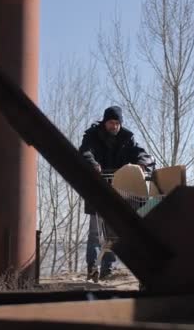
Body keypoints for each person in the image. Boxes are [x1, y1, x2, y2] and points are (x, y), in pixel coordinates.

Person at [79, 106, 155, 280]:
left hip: (121, 192)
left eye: (117, 123)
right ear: (104, 122)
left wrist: (143, 163)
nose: (114, 126)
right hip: (99, 188)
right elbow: (85, 152)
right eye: (111, 122)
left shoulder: (127, 138)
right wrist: (93, 165)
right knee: (95, 232)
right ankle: (92, 268)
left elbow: (141, 153)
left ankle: (108, 269)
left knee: (114, 231)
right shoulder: (92, 135)